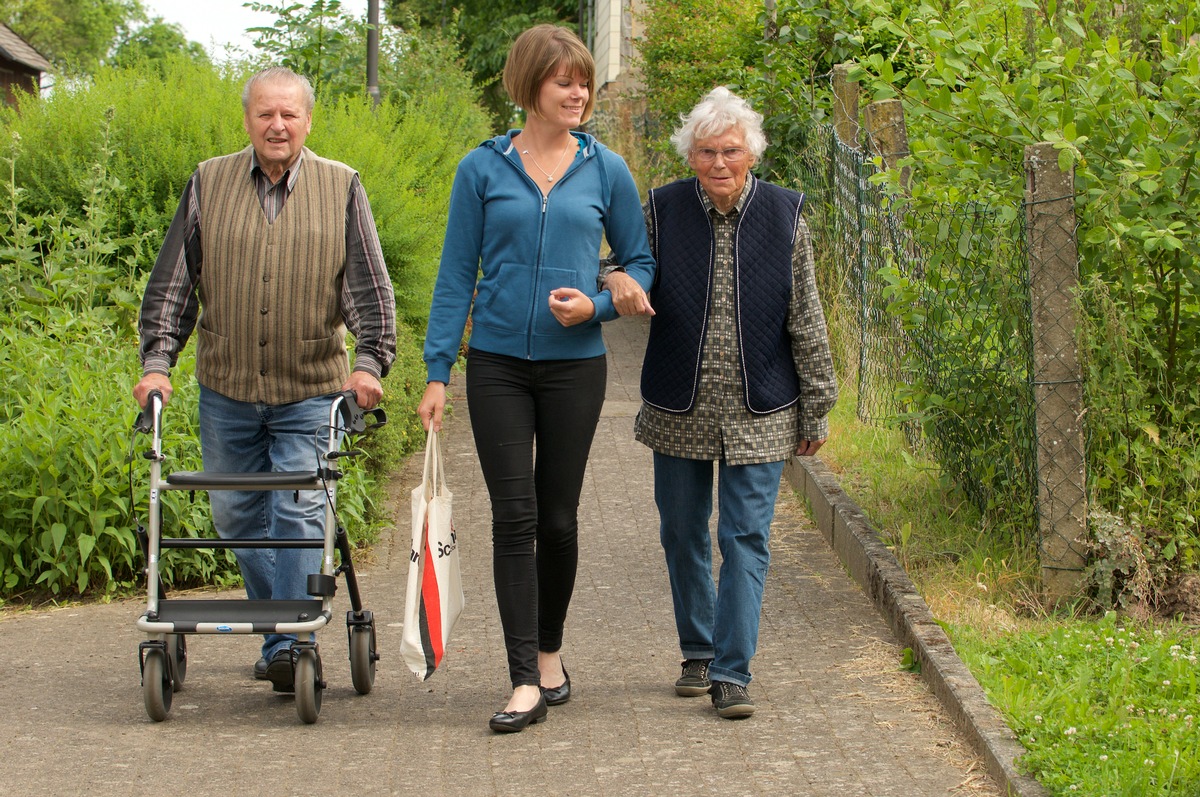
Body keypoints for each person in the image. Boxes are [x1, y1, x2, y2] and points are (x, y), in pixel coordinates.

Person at [418, 24, 656, 733]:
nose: (579, 91)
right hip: (495, 365)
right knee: (513, 516)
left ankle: (551, 652)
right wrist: (438, 371)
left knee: (557, 518)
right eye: (564, 81)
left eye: (583, 80)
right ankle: (523, 676)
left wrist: (601, 302)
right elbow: (456, 274)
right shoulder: (482, 169)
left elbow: (641, 263)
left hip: (575, 368)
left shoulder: (606, 168)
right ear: (530, 86)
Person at [132, 66, 397, 693]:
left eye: (289, 114)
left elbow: (368, 289)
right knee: (238, 516)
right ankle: (282, 627)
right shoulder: (207, 180)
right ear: (247, 119)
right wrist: (156, 364)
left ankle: (289, 640)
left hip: (310, 387)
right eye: (264, 114)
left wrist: (369, 363)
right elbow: (173, 285)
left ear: (308, 119)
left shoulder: (342, 186)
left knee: (299, 510)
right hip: (226, 389)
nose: (277, 125)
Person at [604, 86, 838, 719]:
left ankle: (732, 673)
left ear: (752, 153)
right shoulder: (662, 208)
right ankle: (698, 652)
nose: (718, 164)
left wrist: (817, 403)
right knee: (682, 532)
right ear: (690, 156)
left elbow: (807, 316)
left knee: (745, 538)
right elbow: (616, 263)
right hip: (678, 403)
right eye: (705, 152)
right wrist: (614, 278)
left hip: (761, 407)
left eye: (730, 151)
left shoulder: (787, 215)